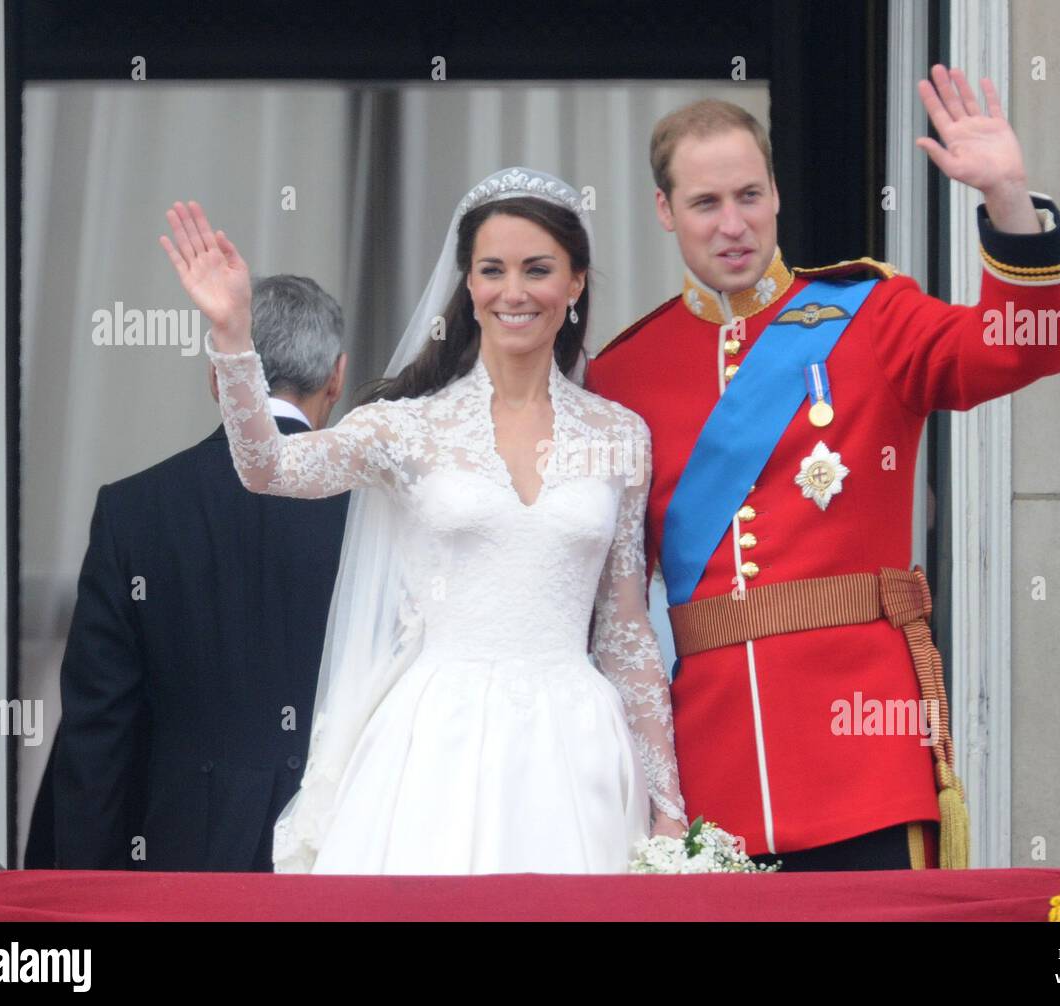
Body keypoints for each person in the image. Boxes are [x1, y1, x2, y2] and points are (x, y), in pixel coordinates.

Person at [585, 66, 1060, 871]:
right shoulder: (622, 376)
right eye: (706, 204)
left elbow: (1025, 345)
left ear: (776, 195)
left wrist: (1008, 197)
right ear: (666, 212)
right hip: (717, 772)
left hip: (865, 758)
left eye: (749, 195)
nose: (733, 223)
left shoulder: (872, 316)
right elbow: (606, 597)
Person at [158, 168, 688, 875]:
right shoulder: (410, 427)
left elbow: (625, 631)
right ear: (468, 286)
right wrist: (231, 334)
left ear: (576, 282)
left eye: (538, 269)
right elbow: (268, 467)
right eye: (492, 270)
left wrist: (666, 799)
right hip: (437, 739)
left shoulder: (620, 434)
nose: (515, 292)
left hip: (579, 745)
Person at [48, 275, 351, 872]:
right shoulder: (374, 511)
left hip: (182, 860)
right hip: (342, 852)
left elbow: (98, 730)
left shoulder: (133, 510)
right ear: (337, 377)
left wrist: (82, 890)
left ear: (218, 376)